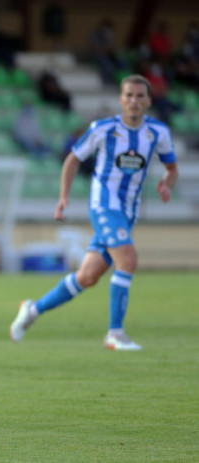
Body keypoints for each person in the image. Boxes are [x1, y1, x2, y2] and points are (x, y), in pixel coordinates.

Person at [10, 74, 179, 351]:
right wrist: (63, 197)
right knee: (128, 259)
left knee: (87, 276)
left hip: (127, 212)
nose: (134, 101)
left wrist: (166, 185)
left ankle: (32, 309)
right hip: (103, 205)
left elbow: (172, 168)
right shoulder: (103, 129)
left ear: (149, 100)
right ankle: (115, 333)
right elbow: (72, 159)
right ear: (121, 99)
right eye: (129, 95)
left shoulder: (158, 133)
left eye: (140, 96)